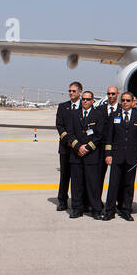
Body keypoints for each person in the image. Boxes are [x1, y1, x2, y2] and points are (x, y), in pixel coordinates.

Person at [103, 92, 137, 221]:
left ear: (133, 102)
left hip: (132, 157)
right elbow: (109, 137)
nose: (125, 103)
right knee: (113, 184)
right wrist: (108, 154)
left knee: (128, 185)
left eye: (128, 100)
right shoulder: (114, 115)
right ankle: (109, 211)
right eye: (123, 100)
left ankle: (126, 210)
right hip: (117, 156)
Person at [67, 91, 107, 219]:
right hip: (76, 154)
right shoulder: (73, 114)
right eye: (83, 99)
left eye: (88, 99)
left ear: (92, 101)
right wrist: (78, 146)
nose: (85, 101)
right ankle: (76, 209)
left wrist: (88, 147)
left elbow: (99, 135)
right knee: (76, 184)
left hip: (91, 155)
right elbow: (70, 133)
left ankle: (95, 209)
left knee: (93, 184)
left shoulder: (99, 115)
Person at [54, 82, 83, 211]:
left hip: (80, 149)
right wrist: (70, 141)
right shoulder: (63, 107)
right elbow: (59, 126)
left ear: (80, 92)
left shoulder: (84, 106)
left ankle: (80, 201)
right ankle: (62, 201)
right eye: (70, 91)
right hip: (66, 148)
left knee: (79, 177)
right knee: (65, 176)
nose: (71, 93)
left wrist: (80, 144)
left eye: (74, 91)